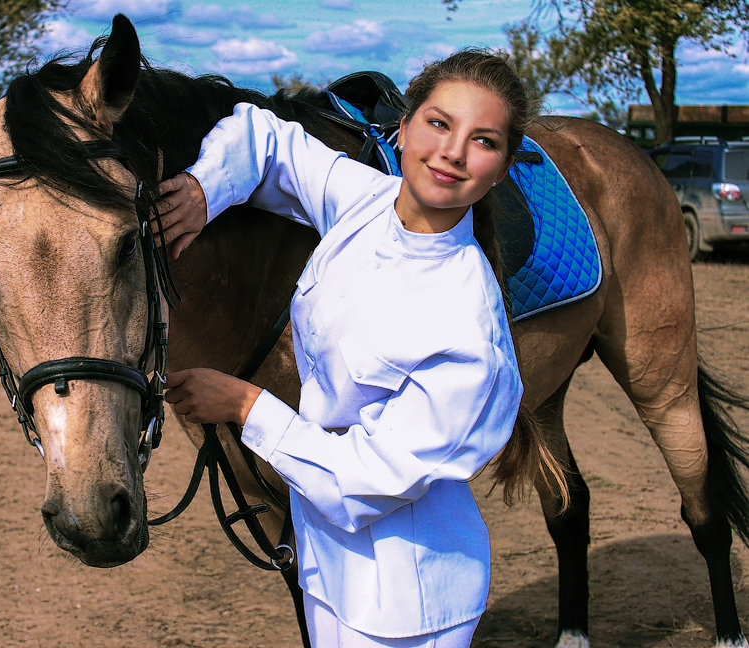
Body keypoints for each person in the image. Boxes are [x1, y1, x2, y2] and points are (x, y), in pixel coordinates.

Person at [157, 49, 555, 648]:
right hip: (329, 569)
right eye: (439, 123)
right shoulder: (367, 204)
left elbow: (368, 480)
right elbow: (266, 139)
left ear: (500, 170)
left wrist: (245, 406)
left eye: (484, 141)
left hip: (405, 600)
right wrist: (201, 189)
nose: (451, 151)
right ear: (402, 130)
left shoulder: (468, 328)